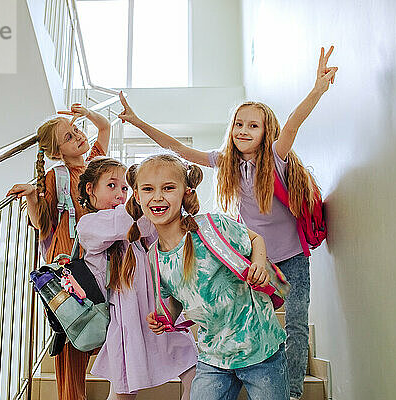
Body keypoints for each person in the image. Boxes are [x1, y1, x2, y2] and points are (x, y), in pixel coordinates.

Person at [118, 47, 338, 400]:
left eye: (253, 125)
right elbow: (179, 150)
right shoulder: (226, 164)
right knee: (249, 319)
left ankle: (293, 391)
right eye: (239, 124)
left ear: (267, 132)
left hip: (290, 258)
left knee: (296, 325)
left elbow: (294, 124)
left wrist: (316, 89)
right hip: (252, 261)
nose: (244, 130)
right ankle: (242, 370)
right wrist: (139, 122)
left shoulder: (277, 160)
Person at [123, 153, 289, 400]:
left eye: (168, 188)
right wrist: (165, 317)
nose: (157, 197)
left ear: (186, 191)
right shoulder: (153, 257)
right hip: (213, 357)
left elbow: (255, 238)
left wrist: (258, 266)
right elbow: (179, 298)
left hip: (261, 348)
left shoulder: (212, 226)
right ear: (137, 196)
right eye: (148, 189)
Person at [6, 103, 110, 400]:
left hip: (96, 258)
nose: (78, 136)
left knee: (103, 322)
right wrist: (30, 197)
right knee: (73, 332)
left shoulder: (95, 164)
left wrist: (87, 114)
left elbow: (104, 127)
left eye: (76, 130)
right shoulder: (57, 176)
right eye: (68, 137)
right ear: (57, 152)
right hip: (68, 260)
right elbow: (44, 222)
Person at [75, 156, 197, 400]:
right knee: (124, 392)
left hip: (159, 309)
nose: (121, 194)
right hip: (127, 317)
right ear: (90, 189)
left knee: (193, 369)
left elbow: (156, 229)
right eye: (112, 186)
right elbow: (127, 222)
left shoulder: (136, 225)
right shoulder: (89, 225)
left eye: (125, 188)